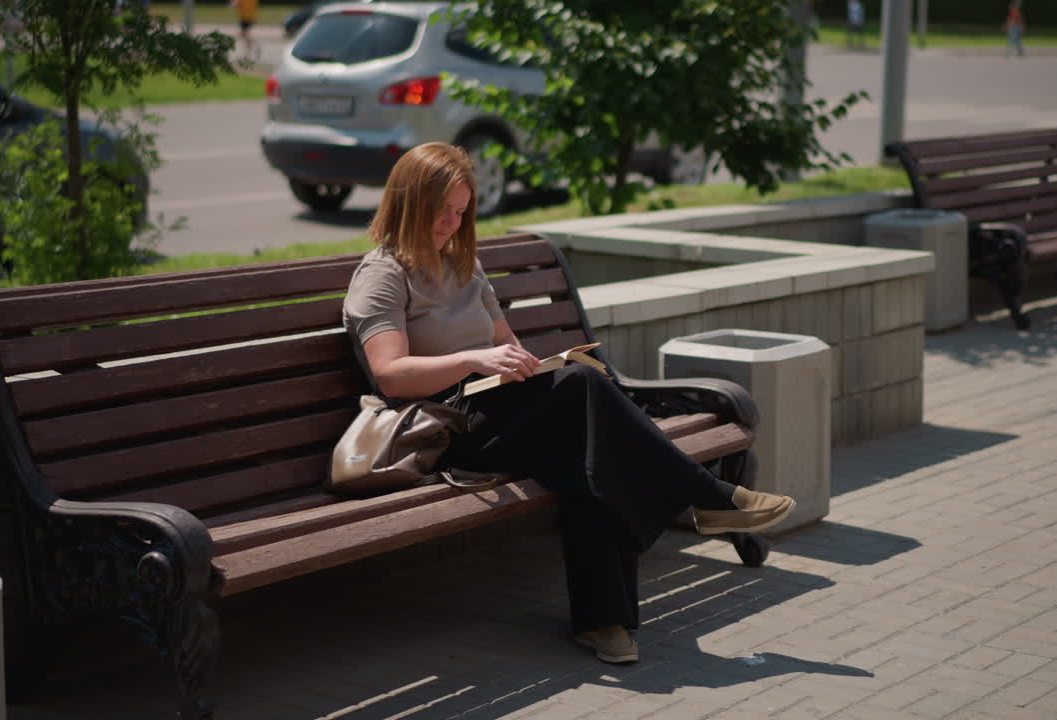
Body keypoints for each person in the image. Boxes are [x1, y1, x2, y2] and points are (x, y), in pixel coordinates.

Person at [341, 142, 796, 665]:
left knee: (587, 457)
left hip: (498, 413)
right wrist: (473, 360)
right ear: (408, 201)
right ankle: (708, 497)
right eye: (441, 210)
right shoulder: (382, 274)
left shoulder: (464, 266)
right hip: (444, 430)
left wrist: (525, 364)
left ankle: (606, 624)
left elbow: (508, 349)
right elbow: (391, 375)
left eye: (461, 211)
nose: (451, 222)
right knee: (583, 394)